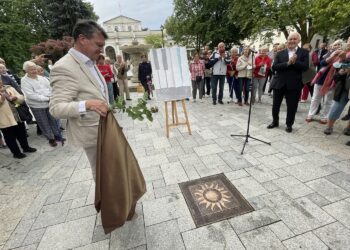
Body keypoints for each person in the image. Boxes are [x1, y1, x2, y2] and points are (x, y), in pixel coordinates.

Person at [49, 20, 109, 180]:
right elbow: (56, 108)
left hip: (105, 129)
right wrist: (87, 104)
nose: (101, 49)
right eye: (98, 44)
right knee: (102, 173)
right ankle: (107, 204)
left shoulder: (89, 61)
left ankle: (116, 200)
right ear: (82, 39)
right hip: (91, 132)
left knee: (110, 169)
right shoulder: (64, 67)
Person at [267, 32, 309, 133]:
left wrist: (295, 62)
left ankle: (289, 124)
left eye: (294, 39)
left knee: (292, 106)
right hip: (279, 83)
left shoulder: (304, 52)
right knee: (276, 105)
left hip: (294, 84)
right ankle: (275, 121)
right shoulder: (280, 53)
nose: (292, 41)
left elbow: (305, 67)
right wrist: (287, 63)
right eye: (290, 39)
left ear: (298, 40)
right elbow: (274, 67)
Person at [21, 61, 63, 147]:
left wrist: (51, 97)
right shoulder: (24, 80)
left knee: (53, 120)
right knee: (43, 123)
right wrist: (47, 98)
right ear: (26, 71)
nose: (34, 71)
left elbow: (50, 88)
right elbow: (30, 95)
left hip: (49, 103)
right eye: (31, 70)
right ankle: (51, 139)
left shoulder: (42, 78)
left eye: (34, 69)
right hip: (37, 106)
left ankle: (57, 136)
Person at [0, 79, 37, 158]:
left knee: (22, 133)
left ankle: (26, 148)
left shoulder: (9, 88)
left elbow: (21, 97)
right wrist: (2, 99)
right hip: (4, 119)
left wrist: (15, 97)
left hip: (18, 115)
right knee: (10, 137)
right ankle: (16, 153)